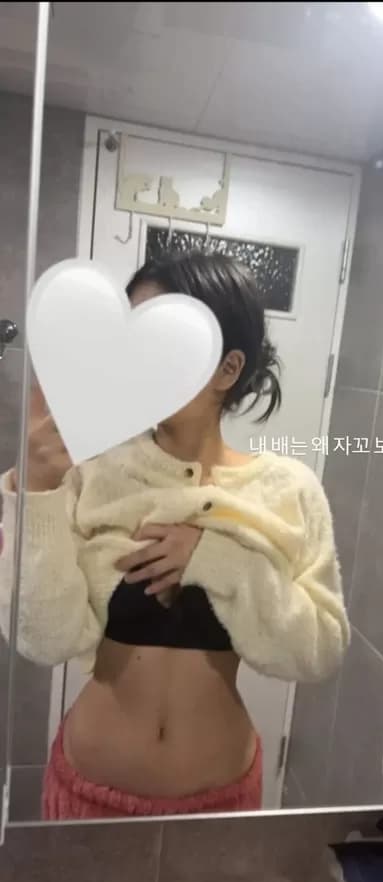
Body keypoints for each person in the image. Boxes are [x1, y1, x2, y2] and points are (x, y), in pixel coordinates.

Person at [0, 252, 349, 820]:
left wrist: (219, 560)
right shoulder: (94, 471)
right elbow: (45, 642)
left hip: (219, 804)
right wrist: (37, 488)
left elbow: (320, 651)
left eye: (160, 342)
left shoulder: (288, 491)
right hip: (88, 793)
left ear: (227, 369)